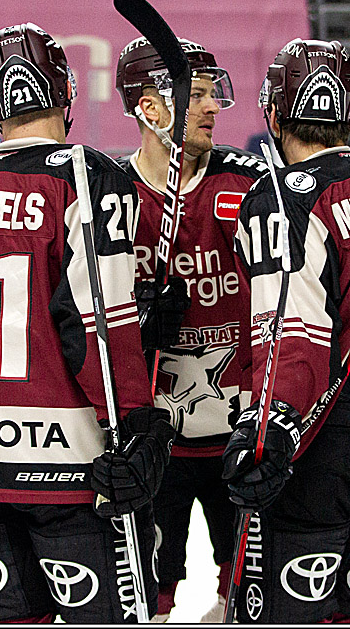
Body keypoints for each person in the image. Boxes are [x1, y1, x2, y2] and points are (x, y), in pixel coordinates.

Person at [0, 23, 173, 624]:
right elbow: (100, 319)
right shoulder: (88, 175)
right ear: (66, 89)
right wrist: (132, 423)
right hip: (73, 465)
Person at [226, 38, 350, 623]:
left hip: (321, 440)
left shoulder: (283, 199)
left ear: (273, 111)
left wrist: (268, 434)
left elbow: (295, 338)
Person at [114, 36, 265, 622]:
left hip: (242, 433)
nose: (212, 108)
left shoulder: (248, 186)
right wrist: (135, 318)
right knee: (150, 598)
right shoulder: (111, 194)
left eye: (212, 94)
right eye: (194, 95)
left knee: (246, 599)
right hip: (156, 441)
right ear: (150, 110)